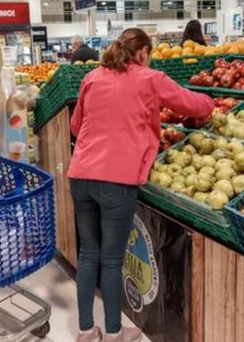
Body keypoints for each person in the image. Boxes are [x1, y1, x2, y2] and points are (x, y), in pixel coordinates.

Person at [69, 28, 214, 342]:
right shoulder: (150, 78)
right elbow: (191, 105)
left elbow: (76, 125)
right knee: (111, 260)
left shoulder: (92, 77)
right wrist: (210, 104)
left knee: (88, 254)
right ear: (143, 53)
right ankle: (113, 332)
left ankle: (84, 329)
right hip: (117, 180)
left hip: (80, 174)